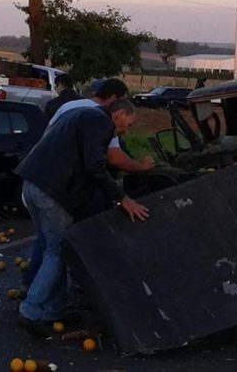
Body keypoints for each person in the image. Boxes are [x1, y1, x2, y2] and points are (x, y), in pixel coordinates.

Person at [15, 98, 149, 337]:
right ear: (118, 114)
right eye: (127, 124)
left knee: (50, 250)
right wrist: (122, 198)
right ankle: (30, 311)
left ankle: (53, 311)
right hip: (52, 191)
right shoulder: (99, 122)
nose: (126, 130)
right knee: (58, 252)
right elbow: (95, 167)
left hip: (33, 184)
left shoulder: (85, 116)